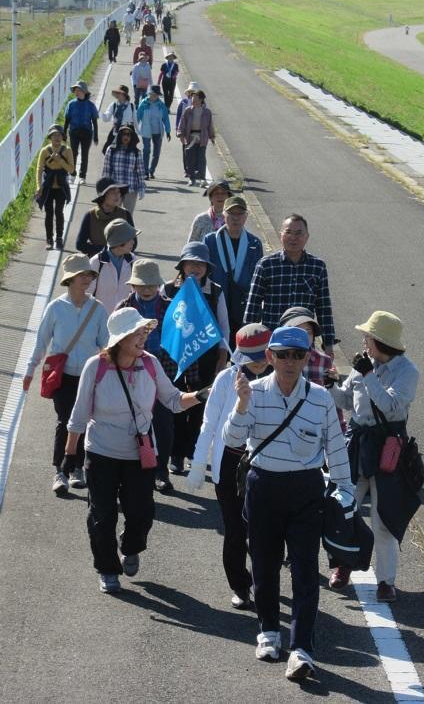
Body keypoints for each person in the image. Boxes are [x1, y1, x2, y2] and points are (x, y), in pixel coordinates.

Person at [222, 326, 353, 682]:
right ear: (270, 357)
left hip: (306, 489)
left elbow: (336, 446)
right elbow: (233, 440)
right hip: (263, 485)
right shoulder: (253, 390)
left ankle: (302, 649)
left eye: (297, 355)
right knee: (263, 565)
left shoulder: (320, 398)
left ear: (307, 358)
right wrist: (242, 404)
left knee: (306, 570)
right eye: (282, 354)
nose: (289, 362)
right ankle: (268, 631)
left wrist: (346, 491)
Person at [63, 308, 206, 593]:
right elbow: (79, 415)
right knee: (102, 515)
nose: (143, 338)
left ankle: (130, 546)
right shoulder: (96, 366)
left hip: (139, 454)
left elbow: (174, 401)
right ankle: (107, 568)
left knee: (141, 513)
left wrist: (202, 395)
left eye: (144, 332)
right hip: (101, 452)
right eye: (137, 333)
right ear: (120, 338)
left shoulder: (151, 364)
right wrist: (69, 455)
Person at [328, 311, 420, 603]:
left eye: (367, 337)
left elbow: (391, 406)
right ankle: (342, 566)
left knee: (383, 517)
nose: (363, 342)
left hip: (388, 447)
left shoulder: (407, 371)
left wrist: (368, 375)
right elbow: (346, 401)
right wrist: (331, 385)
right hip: (357, 442)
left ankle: (385, 581)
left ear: (380, 341)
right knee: (345, 509)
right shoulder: (362, 365)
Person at [186, 324, 272, 609]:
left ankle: (264, 583)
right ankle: (240, 585)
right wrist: (199, 464)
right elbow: (209, 423)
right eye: (252, 356)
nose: (259, 361)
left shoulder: (279, 377)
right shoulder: (226, 379)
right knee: (235, 529)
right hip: (230, 465)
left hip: (267, 465)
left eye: (263, 354)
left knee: (262, 531)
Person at [23, 254, 109, 496]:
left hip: (88, 376)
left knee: (83, 421)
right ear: (69, 280)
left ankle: (76, 469)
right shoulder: (56, 308)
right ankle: (60, 471)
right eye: (82, 275)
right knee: (65, 421)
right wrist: (30, 370)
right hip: (62, 376)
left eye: (89, 276)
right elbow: (41, 342)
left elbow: (105, 344)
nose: (87, 280)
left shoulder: (98, 309)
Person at [164, 242, 230, 475]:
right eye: (191, 262)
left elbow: (224, 329)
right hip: (174, 359)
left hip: (207, 359)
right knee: (177, 406)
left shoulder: (216, 291)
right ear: (182, 265)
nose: (195, 267)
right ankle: (175, 455)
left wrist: (222, 363)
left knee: (201, 407)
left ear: (207, 267)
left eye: (200, 264)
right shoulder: (168, 290)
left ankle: (193, 451)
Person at [115, 260, 174, 493]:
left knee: (164, 423)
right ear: (133, 286)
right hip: (131, 370)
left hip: (163, 369)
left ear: (158, 285)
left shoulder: (171, 307)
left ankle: (162, 471)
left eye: (151, 284)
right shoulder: (124, 307)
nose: (147, 289)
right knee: (131, 421)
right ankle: (133, 468)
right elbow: (114, 341)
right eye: (142, 285)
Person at [244, 214, 336, 355]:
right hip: (273, 340)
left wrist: (328, 343)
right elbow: (252, 306)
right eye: (288, 232)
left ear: (307, 236)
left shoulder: (318, 267)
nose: (293, 237)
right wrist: (248, 339)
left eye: (299, 233)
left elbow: (324, 308)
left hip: (304, 341)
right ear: (281, 235)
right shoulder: (266, 265)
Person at [205, 195, 263, 347]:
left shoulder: (255, 243)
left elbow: (259, 279)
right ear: (223, 215)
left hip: (243, 306)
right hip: (216, 303)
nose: (235, 218)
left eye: (240, 214)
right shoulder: (210, 240)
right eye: (231, 213)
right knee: (216, 351)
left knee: (241, 351)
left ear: (246, 217)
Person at [35, 125, 74, 251]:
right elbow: (39, 169)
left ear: (63, 137)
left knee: (59, 212)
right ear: (50, 137)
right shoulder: (45, 151)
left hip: (61, 186)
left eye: (59, 135)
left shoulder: (67, 150)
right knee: (49, 213)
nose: (57, 138)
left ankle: (59, 238)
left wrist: (60, 161)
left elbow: (71, 169)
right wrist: (38, 185)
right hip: (48, 187)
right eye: (54, 135)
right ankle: (49, 239)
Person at [89, 218, 139, 314]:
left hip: (124, 319)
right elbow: (87, 294)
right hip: (100, 320)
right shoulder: (96, 263)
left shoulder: (133, 260)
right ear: (120, 242)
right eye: (130, 239)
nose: (133, 242)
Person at [101, 125, 146, 214]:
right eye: (123, 134)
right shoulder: (111, 150)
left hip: (131, 189)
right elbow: (106, 170)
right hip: (115, 190)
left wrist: (142, 188)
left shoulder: (136, 153)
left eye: (128, 135)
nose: (126, 137)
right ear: (120, 135)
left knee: (127, 217)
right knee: (113, 216)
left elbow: (140, 172)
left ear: (132, 137)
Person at [64, 80, 99, 186]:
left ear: (84, 92)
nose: (76, 92)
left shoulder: (91, 105)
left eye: (78, 90)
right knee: (73, 153)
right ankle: (72, 174)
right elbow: (67, 120)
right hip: (74, 132)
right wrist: (64, 133)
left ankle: (82, 176)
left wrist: (96, 136)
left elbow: (94, 121)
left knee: (85, 155)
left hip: (87, 133)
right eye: (75, 90)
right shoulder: (71, 104)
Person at [179, 89, 215, 187]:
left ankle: (202, 179)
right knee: (190, 158)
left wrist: (212, 136)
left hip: (202, 138)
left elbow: (210, 126)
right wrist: (181, 134)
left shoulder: (207, 112)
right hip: (190, 137)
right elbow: (182, 123)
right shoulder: (188, 111)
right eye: (192, 97)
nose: (193, 100)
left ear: (201, 99)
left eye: (195, 98)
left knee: (201, 158)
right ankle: (192, 179)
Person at [136, 84, 171, 180]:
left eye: (156, 95)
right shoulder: (143, 104)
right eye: (152, 94)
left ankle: (152, 171)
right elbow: (137, 116)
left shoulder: (161, 105)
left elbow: (166, 119)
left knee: (156, 153)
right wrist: (134, 129)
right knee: (146, 150)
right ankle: (145, 172)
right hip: (146, 130)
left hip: (158, 131)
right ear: (149, 93)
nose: (154, 96)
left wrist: (168, 131)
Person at [100, 85, 137, 154]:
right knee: (107, 150)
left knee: (129, 151)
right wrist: (100, 113)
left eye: (119, 93)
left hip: (127, 131)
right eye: (117, 93)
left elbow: (135, 120)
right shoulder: (113, 105)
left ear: (124, 95)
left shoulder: (131, 106)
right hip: (116, 131)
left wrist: (139, 131)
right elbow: (106, 118)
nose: (117, 95)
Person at [175, 81, 199, 175]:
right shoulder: (184, 102)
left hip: (197, 131)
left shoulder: (202, 104)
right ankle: (187, 169)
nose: (192, 94)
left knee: (196, 150)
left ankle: (195, 168)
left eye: (194, 92)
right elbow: (178, 116)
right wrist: (178, 130)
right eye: (191, 92)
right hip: (185, 130)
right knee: (186, 149)